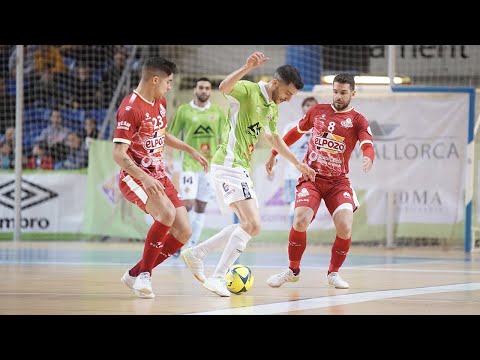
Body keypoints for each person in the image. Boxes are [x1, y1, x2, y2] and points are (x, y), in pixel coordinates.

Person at [181, 51, 316, 297]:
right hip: (228, 164)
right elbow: (224, 87)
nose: (288, 99)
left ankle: (196, 253)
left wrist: (296, 162)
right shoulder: (248, 90)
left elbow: (274, 137)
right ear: (275, 83)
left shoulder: (272, 107)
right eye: (287, 93)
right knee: (252, 224)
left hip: (240, 167)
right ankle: (218, 276)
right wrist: (246, 67)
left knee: (250, 225)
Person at [264, 73, 375, 289]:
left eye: (343, 93)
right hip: (311, 177)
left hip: (338, 183)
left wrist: (369, 157)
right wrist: (273, 154)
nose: (338, 96)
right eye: (335, 91)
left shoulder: (357, 120)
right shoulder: (318, 111)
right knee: (300, 220)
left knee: (344, 226)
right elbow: (296, 133)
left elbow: (367, 142)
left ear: (352, 93)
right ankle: (292, 270)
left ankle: (333, 273)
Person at [112, 57, 209, 299]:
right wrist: (144, 178)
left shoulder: (160, 102)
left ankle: (134, 274)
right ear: (155, 80)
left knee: (184, 231)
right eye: (168, 82)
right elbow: (118, 154)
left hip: (159, 175)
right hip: (135, 177)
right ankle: (145, 276)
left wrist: (190, 150)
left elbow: (162, 135)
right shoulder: (130, 108)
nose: (169, 86)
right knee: (166, 214)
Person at [167, 77, 225, 253]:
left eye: (207, 88)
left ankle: (192, 245)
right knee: (188, 203)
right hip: (189, 164)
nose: (204, 91)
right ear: (195, 89)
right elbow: (172, 135)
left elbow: (223, 140)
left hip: (209, 166)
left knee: (201, 206)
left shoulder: (218, 112)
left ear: (210, 91)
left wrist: (223, 163)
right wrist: (168, 157)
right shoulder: (184, 110)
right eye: (201, 87)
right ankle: (178, 240)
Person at [281, 96, 318, 226]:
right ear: (303, 107)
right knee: (294, 204)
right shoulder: (292, 127)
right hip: (293, 174)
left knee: (306, 207)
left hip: (311, 175)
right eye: (307, 105)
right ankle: (293, 235)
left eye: (313, 105)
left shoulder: (321, 129)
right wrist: (274, 162)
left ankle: (299, 234)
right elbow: (281, 146)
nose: (310, 107)